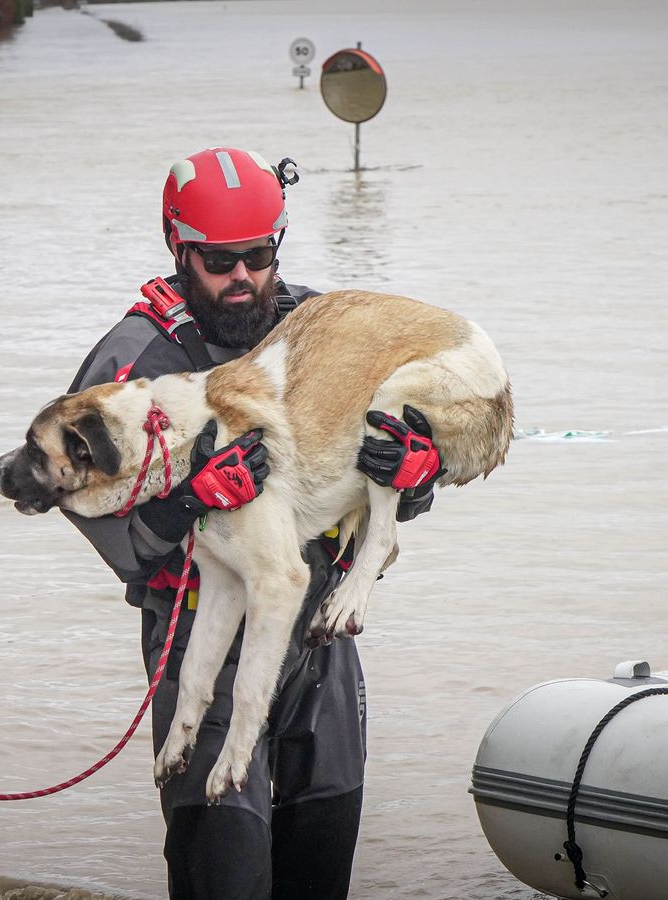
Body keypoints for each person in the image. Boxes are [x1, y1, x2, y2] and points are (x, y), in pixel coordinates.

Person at [61, 147, 442, 900]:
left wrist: (417, 474)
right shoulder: (135, 357)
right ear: (180, 250)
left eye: (259, 256)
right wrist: (181, 502)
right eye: (219, 261)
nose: (243, 278)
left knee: (320, 869)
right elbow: (75, 496)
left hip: (322, 647)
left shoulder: (327, 333)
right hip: (204, 639)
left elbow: (388, 478)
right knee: (224, 876)